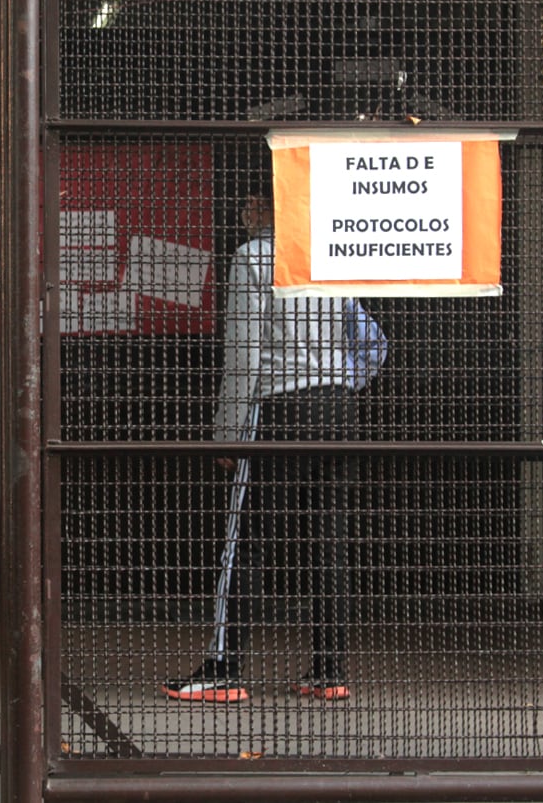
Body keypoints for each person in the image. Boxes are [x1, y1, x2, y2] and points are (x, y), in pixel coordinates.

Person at [162, 184, 387, 703]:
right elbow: (372, 341)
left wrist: (227, 432)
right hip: (337, 411)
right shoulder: (327, 253)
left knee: (247, 538)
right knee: (329, 541)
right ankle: (328, 671)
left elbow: (243, 354)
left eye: (249, 201)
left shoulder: (252, 259)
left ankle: (223, 667)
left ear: (267, 205)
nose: (241, 210)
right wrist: (342, 380)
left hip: (280, 408)